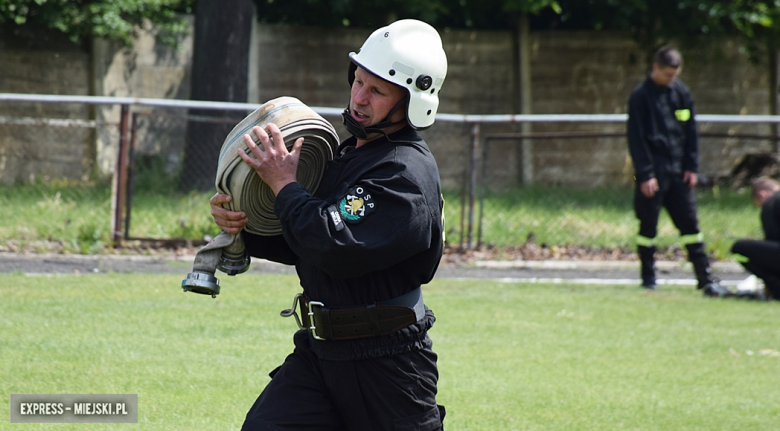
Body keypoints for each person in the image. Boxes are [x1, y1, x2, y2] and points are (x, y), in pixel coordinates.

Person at [209, 19, 448, 430]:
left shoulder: (403, 174)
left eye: (376, 90)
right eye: (357, 81)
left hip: (387, 361)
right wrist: (244, 223)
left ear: (410, 102)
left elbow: (331, 245)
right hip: (320, 354)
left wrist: (284, 183)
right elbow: (300, 238)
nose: (358, 97)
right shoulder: (351, 153)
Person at [626, 45, 729, 297]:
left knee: (691, 225)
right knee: (647, 228)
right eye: (667, 75)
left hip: (678, 172)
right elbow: (636, 140)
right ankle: (648, 278)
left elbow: (690, 132)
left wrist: (691, 167)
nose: (671, 79)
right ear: (655, 68)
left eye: (675, 74)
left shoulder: (681, 94)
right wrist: (645, 174)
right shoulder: (640, 97)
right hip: (652, 172)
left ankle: (704, 279)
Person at [730, 177, 780, 300]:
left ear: (761, 195)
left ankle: (776, 288)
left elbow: (773, 240)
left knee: (738, 249)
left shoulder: (771, 203)